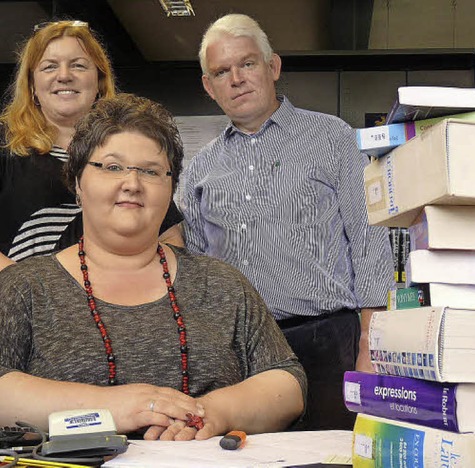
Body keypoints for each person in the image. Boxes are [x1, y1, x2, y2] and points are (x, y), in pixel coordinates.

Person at [0, 93, 306, 440]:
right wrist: (112, 406)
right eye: (112, 166)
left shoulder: (222, 284)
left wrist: (212, 413)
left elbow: (287, 381)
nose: (132, 183)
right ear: (78, 184)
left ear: (171, 188)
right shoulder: (23, 287)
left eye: (151, 171)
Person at [181, 13, 394, 430]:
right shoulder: (198, 171)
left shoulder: (331, 137)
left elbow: (369, 242)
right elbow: (196, 274)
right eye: (221, 72)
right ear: (209, 86)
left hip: (330, 343)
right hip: (241, 353)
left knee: (331, 456)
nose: (236, 79)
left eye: (247, 64)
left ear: (272, 67)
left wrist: (372, 345)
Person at [0, 20, 183, 271]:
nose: (64, 76)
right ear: (31, 85)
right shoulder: (5, 144)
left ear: (99, 81)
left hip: (115, 304)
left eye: (78, 65)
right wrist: (25, 288)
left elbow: (170, 237)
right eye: (49, 67)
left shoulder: (132, 148)